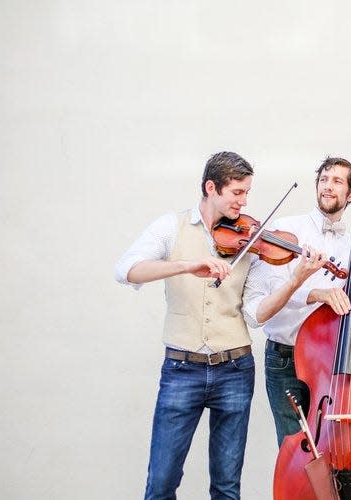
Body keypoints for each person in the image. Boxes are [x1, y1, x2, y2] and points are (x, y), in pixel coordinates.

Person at [114, 151, 256, 500]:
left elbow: (255, 311)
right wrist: (186, 266)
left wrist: (299, 276)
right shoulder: (171, 226)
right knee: (160, 484)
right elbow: (127, 269)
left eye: (246, 192)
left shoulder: (250, 238)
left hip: (235, 368)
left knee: (226, 487)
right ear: (212, 187)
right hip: (182, 368)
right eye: (237, 192)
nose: (244, 200)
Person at [242, 156, 351, 447]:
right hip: (286, 358)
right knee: (295, 448)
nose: (328, 187)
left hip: (330, 359)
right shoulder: (287, 230)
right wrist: (317, 293)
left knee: (333, 447)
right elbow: (273, 290)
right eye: (323, 180)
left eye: (337, 181)